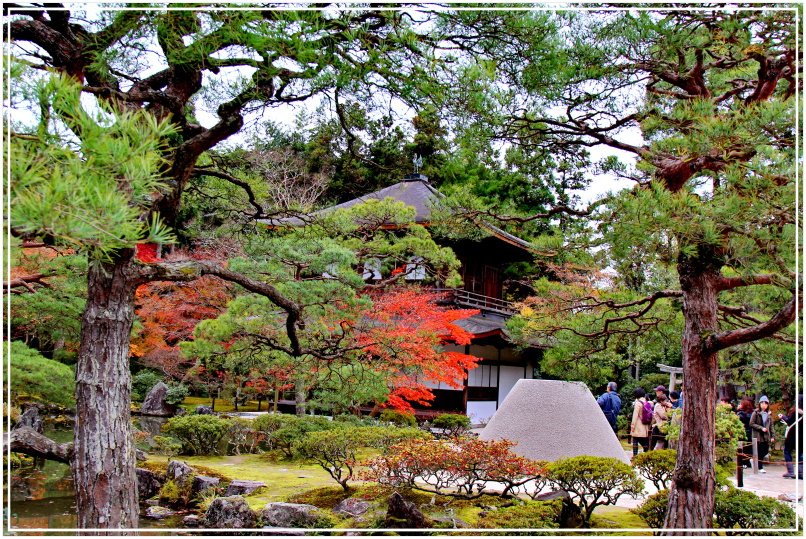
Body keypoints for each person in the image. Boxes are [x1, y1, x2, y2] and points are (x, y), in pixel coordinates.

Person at [749, 396, 774, 473]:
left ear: (768, 405)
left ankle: (754, 461)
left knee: (765, 451)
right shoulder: (755, 413)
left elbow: (771, 426)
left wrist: (773, 436)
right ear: (759, 404)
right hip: (758, 435)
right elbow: (751, 423)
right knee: (759, 451)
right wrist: (761, 428)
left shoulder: (769, 414)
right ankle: (760, 467)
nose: (764, 405)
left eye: (766, 403)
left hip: (766, 436)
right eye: (762, 403)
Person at [780, 395, 803, 479]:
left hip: (793, 436)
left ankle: (790, 471)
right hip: (802, 437)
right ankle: (801, 473)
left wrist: (782, 416)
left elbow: (789, 422)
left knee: (787, 451)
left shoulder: (796, 413)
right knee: (801, 453)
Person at [630, 387, 651, 456]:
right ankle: (647, 455)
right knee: (644, 442)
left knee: (635, 440)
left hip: (638, 425)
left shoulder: (638, 403)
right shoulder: (647, 402)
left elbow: (635, 416)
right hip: (645, 426)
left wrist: (632, 426)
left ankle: (635, 456)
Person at [736, 397, 755, 469]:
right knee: (749, 448)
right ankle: (748, 462)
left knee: (742, 448)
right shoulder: (753, 413)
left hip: (743, 432)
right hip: (751, 432)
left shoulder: (740, 414)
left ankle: (743, 463)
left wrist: (737, 410)